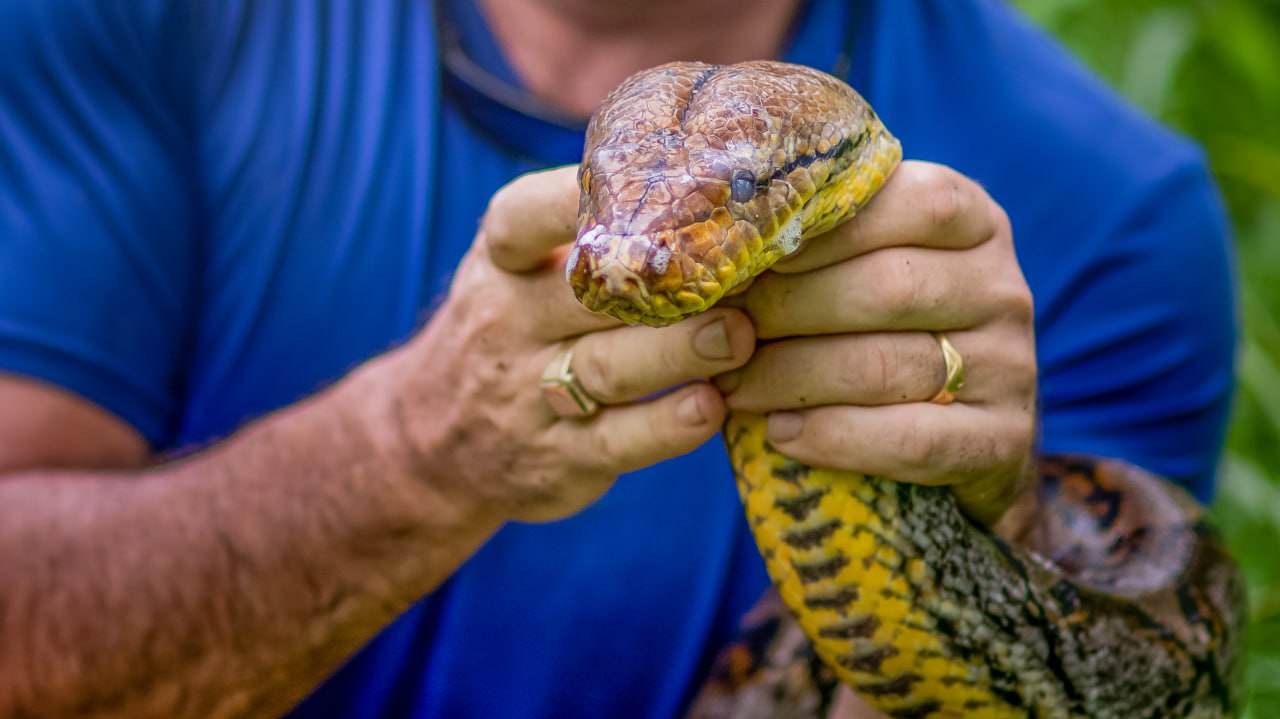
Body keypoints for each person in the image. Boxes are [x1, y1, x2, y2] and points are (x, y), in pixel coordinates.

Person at [0, 0, 1235, 717]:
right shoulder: (124, 21)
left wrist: (992, 509)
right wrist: (415, 450)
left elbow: (1082, 666)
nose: (641, 261)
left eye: (729, 202)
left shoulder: (1113, 213)